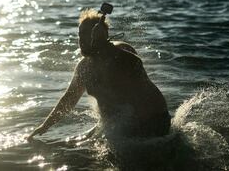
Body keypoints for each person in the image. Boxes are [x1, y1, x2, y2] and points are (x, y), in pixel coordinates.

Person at [28, 7, 170, 140]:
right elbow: (69, 100)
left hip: (152, 122)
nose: (81, 41)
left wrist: (104, 47)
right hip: (116, 127)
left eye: (87, 34)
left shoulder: (121, 52)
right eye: (79, 35)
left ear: (102, 35)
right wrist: (44, 126)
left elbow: (135, 64)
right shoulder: (84, 68)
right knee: (75, 144)